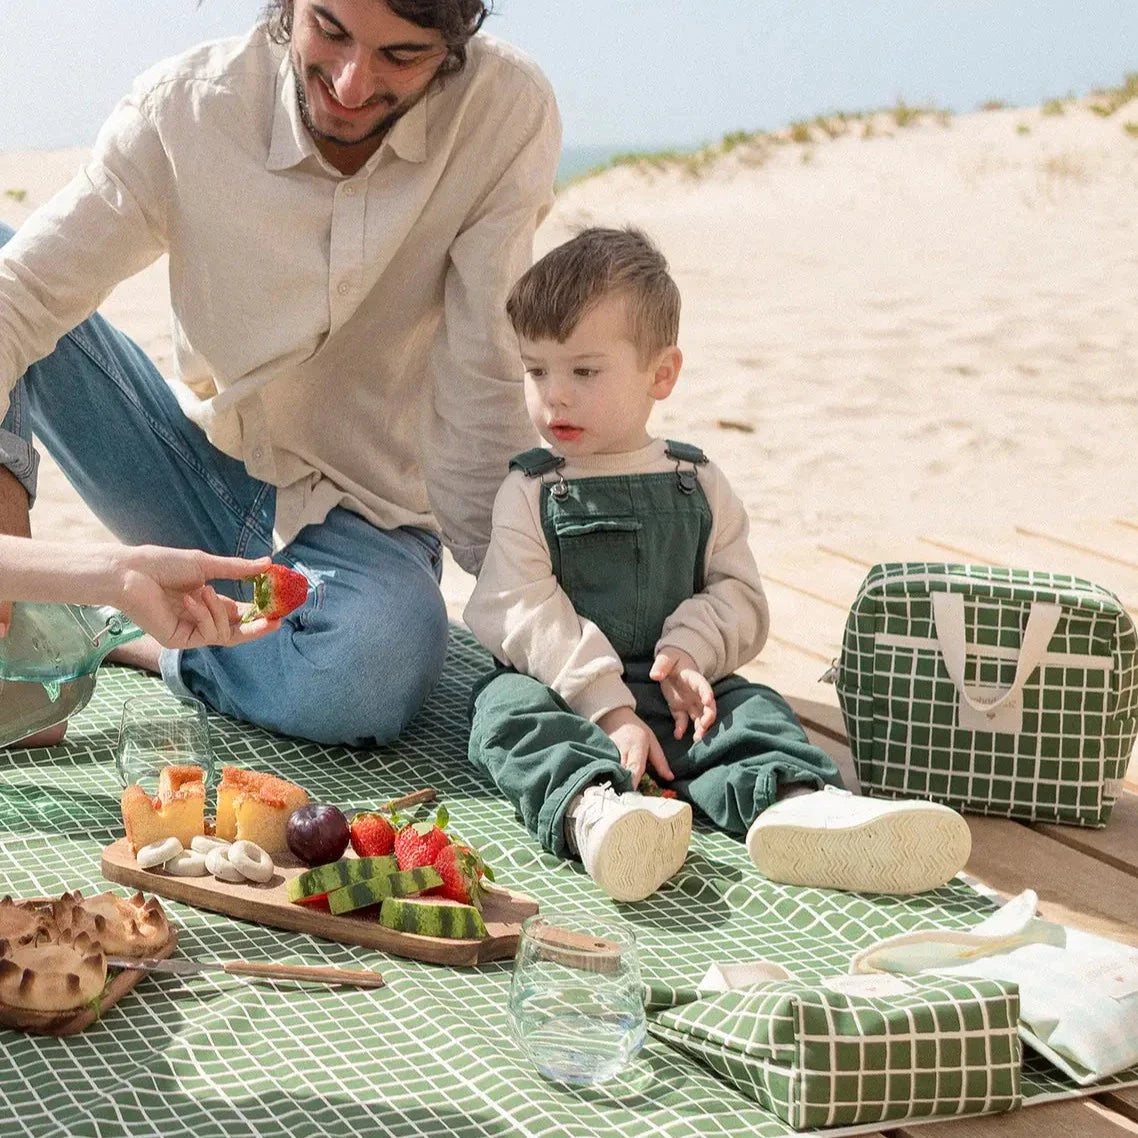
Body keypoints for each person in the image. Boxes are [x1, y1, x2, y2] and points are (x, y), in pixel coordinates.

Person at [0, 0, 560, 745]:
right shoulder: (185, 107)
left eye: (400, 56)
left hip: (369, 520)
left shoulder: (503, 112)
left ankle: (145, 640)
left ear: (454, 45)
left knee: (369, 672)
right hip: (186, 474)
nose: (352, 85)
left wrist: (530, 619)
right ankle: (18, 633)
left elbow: (484, 387)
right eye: (329, 29)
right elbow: (23, 298)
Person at [464, 228, 971, 902]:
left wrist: (691, 651)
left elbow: (739, 595)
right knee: (505, 711)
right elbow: (522, 609)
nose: (554, 395)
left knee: (754, 709)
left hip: (679, 698)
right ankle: (599, 814)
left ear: (661, 374)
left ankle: (798, 808)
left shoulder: (698, 482)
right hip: (568, 694)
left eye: (583, 372)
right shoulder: (529, 491)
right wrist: (608, 708)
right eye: (536, 371)